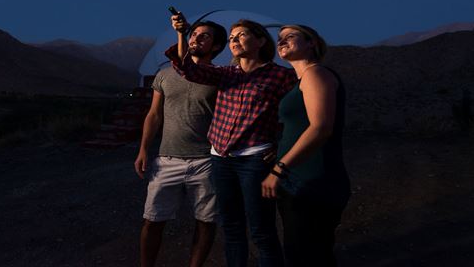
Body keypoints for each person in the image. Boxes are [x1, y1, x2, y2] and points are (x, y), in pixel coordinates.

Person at [167, 15, 297, 267]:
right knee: (232, 228)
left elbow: (296, 116)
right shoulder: (227, 74)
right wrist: (182, 33)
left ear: (260, 40)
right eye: (230, 38)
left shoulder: (281, 76)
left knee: (261, 229)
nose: (234, 41)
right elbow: (187, 69)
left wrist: (281, 147)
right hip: (221, 159)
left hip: (255, 160)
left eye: (241, 35)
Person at [134, 20, 228, 267]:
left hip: (206, 160)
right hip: (167, 159)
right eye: (194, 34)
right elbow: (154, 115)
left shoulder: (219, 77)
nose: (196, 38)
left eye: (204, 36)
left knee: (206, 221)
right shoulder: (165, 74)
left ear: (216, 46)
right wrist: (144, 148)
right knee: (152, 220)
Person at [261, 24, 351, 267]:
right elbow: (300, 125)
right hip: (299, 179)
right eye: (279, 38)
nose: (281, 41)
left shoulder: (315, 73)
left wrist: (279, 168)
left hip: (313, 182)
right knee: (303, 252)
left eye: (290, 36)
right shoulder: (301, 79)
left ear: (311, 43)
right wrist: (281, 149)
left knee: (308, 256)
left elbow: (321, 128)